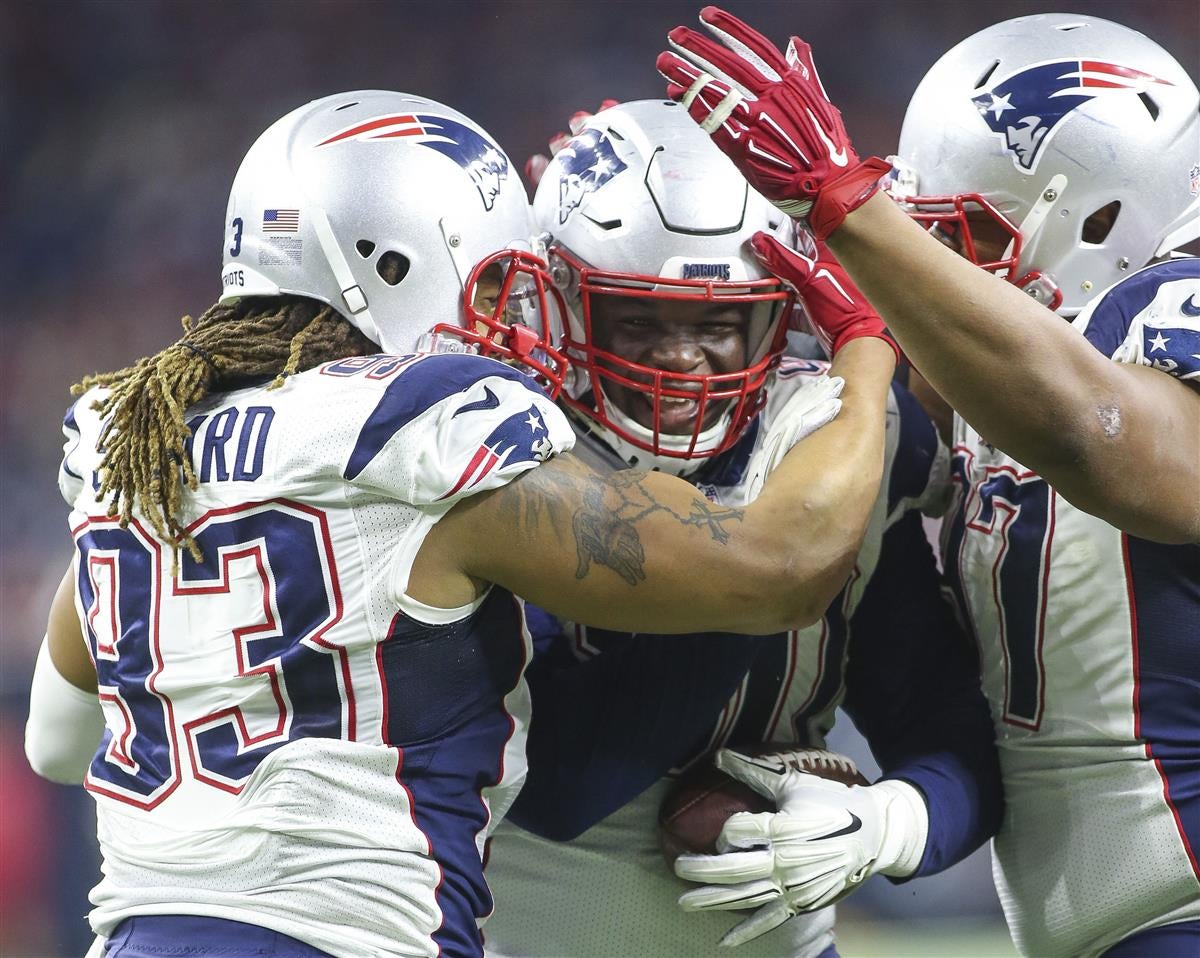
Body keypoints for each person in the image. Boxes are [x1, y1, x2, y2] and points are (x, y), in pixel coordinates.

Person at [24, 88, 901, 957]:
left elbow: (58, 741)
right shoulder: (421, 425)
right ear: (394, 266)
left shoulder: (137, 432)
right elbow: (782, 566)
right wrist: (866, 345)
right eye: (491, 281)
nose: (507, 319)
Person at [660, 8, 1199, 956]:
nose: (937, 271)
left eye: (960, 237)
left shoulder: (1162, 312)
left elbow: (1106, 439)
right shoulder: (1007, 401)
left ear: (1104, 217)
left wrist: (848, 210)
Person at [480, 99, 1001, 958]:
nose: (683, 359)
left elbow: (949, 736)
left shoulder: (830, 438)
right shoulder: (506, 444)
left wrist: (884, 823)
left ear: (782, 311)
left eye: (719, 322)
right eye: (639, 320)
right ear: (564, 303)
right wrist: (861, 398)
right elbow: (568, 783)